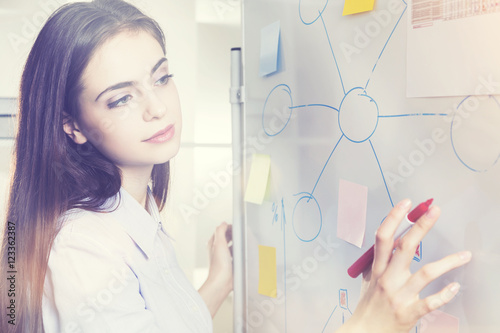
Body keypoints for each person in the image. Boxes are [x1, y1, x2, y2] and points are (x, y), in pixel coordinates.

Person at [0, 0, 471, 332]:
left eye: (161, 78)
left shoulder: (133, 214)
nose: (157, 108)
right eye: (122, 97)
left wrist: (221, 282)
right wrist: (371, 324)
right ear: (72, 126)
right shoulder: (85, 249)